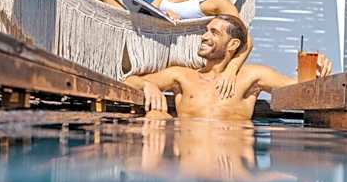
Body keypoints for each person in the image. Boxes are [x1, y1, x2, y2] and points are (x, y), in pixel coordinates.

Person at [78, 0, 251, 96]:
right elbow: (149, 10)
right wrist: (163, 14)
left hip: (162, 51)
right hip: (144, 34)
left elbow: (246, 39)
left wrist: (231, 70)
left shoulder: (218, 0)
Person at [124, 14, 332, 122]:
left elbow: (298, 90)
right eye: (206, 31)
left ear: (232, 45)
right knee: (154, 117)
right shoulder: (182, 76)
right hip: (190, 166)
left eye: (214, 33)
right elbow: (128, 81)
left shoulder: (251, 76)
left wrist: (316, 70)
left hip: (230, 163)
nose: (204, 37)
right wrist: (147, 85)